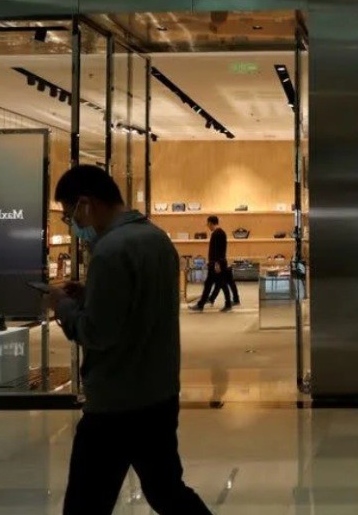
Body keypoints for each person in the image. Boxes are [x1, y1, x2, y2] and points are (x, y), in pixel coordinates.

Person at [46, 165, 212, 514]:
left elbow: (97, 333)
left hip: (115, 400)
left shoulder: (109, 251)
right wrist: (91, 292)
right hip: (158, 392)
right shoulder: (156, 239)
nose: (71, 226)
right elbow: (139, 306)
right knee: (168, 490)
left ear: (85, 205)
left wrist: (64, 307)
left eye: (68, 215)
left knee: (85, 503)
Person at [192, 216, 232, 312]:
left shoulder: (217, 234)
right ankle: (201, 304)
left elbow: (217, 251)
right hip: (215, 263)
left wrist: (216, 264)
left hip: (216, 264)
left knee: (221, 284)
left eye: (208, 224)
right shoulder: (220, 233)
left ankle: (228, 304)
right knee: (209, 284)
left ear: (210, 223)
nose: (207, 226)